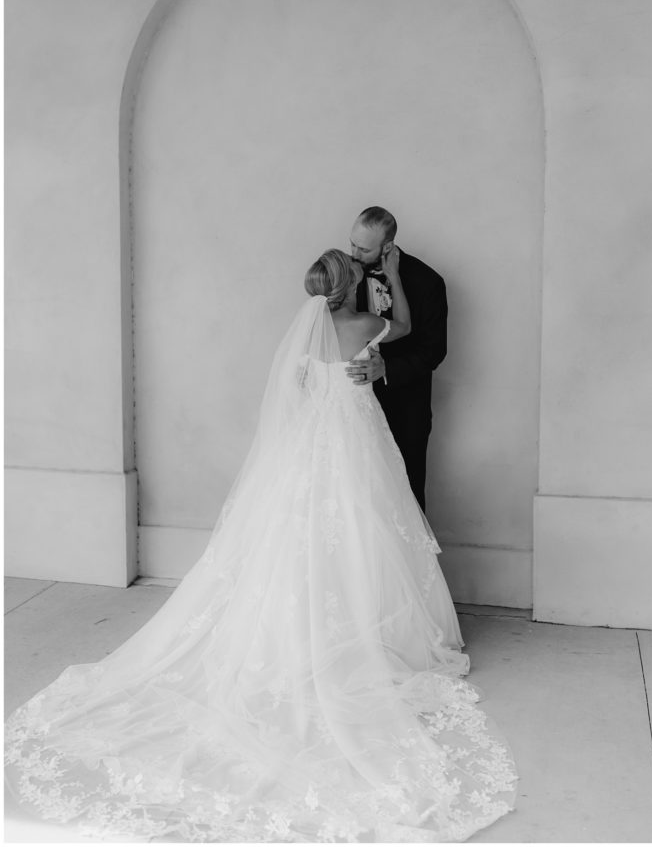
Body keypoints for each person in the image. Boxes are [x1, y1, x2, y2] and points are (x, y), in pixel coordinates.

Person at [5, 249, 516, 843]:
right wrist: (396, 280)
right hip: (355, 442)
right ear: (355, 287)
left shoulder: (306, 332)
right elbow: (404, 327)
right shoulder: (367, 326)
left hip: (308, 447)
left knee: (301, 532)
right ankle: (366, 629)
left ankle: (304, 626)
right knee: (363, 529)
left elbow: (296, 392)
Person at [347, 206, 447, 512]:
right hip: (354, 406)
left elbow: (434, 351)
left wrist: (387, 368)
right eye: (352, 243)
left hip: (407, 409)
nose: (353, 253)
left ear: (387, 246)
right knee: (358, 495)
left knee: (407, 494)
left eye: (363, 249)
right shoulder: (345, 274)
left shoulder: (427, 281)